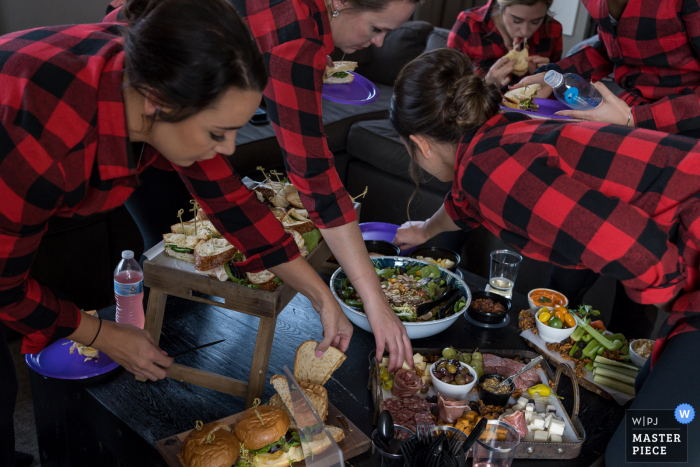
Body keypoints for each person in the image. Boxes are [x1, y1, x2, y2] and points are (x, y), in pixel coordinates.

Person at [0, 0, 354, 465]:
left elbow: (232, 204)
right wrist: (102, 332)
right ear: (157, 102)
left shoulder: (154, 83)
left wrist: (319, 295)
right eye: (217, 132)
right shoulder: (47, 139)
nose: (227, 149)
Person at [389, 48, 700, 464]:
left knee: (645, 451)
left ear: (419, 145)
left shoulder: (491, 172)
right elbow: (465, 202)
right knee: (652, 403)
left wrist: (676, 301)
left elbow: (639, 254)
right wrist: (424, 231)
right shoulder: (496, 136)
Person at [104, 0, 421, 372]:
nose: (380, 43)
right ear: (339, 2)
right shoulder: (295, 40)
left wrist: (323, 298)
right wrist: (375, 302)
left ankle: (157, 353)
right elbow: (314, 174)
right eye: (376, 28)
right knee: (166, 248)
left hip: (140, 63)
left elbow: (231, 203)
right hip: (138, 81)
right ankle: (148, 358)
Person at [515, 0, 700, 137]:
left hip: (684, 123)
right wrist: (556, 74)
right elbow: (611, 49)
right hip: (626, 112)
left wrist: (635, 118)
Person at [447, 0, 562, 89]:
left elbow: (561, 94)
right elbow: (447, 90)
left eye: (536, 22)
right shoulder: (469, 25)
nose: (525, 31)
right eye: (517, 20)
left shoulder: (552, 30)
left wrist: (551, 79)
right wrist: (485, 85)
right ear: (501, 5)